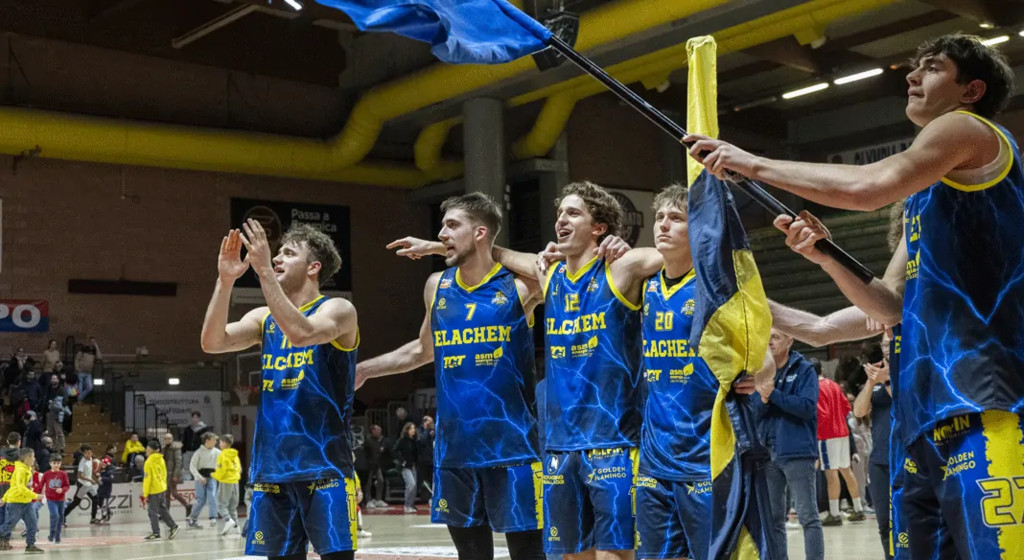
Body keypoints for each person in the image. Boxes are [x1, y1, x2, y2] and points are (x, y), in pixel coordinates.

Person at [688, 33, 1020, 559]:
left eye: (932, 67)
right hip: (921, 416)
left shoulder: (968, 128)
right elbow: (889, 305)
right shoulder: (926, 198)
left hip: (983, 402)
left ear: (971, 90)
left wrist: (751, 163)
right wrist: (824, 256)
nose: (912, 76)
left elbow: (869, 187)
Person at [358, 193, 545, 560]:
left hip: (513, 447)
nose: (442, 233)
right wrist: (364, 370)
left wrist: (450, 248)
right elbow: (421, 350)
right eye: (442, 227)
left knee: (529, 555)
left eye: (452, 226)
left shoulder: (520, 284)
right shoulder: (437, 285)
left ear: (480, 232)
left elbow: (548, 267)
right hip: (455, 448)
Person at [200, 221, 360, 560]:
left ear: (313, 267)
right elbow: (212, 342)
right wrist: (225, 281)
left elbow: (302, 333)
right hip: (273, 465)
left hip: (325, 465)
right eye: (278, 253)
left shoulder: (338, 310)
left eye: (289, 253)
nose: (276, 259)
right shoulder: (264, 318)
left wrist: (263, 273)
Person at [754, 329, 823, 560]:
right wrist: (764, 400)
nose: (770, 341)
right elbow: (754, 413)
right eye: (767, 337)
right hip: (768, 454)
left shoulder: (804, 369)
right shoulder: (761, 371)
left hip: (797, 452)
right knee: (773, 519)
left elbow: (807, 408)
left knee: (808, 517)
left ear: (790, 340)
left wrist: (774, 395)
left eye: (776, 337)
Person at [854, 336, 895, 560]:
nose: (886, 346)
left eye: (890, 341)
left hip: (908, 457)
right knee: (884, 523)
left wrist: (889, 378)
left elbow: (907, 400)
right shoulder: (876, 375)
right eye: (884, 343)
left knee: (911, 519)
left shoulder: (910, 366)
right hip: (880, 460)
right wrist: (871, 382)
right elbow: (859, 411)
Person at [816, 363, 865, 525]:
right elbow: (846, 407)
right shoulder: (835, 385)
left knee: (831, 475)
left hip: (827, 434)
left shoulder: (815, 388)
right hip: (843, 432)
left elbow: (821, 414)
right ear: (822, 370)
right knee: (846, 471)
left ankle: (834, 513)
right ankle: (858, 509)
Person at [0, 448, 42, 553]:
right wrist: (35, 496)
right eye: (33, 456)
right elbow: (19, 488)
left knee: (33, 524)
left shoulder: (27, 469)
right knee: (8, 526)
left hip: (26, 502)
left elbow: (13, 486)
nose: (34, 459)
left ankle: (30, 545)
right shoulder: (20, 470)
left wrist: (4, 498)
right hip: (15, 502)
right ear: (26, 458)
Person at [142, 439, 179, 540]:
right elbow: (164, 474)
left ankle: (156, 532)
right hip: (161, 487)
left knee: (152, 511)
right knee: (162, 509)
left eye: (147, 449)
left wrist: (145, 493)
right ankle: (173, 526)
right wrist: (163, 485)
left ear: (149, 449)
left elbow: (147, 479)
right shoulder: (161, 459)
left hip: (154, 490)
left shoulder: (148, 462)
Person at [187, 432, 221, 529]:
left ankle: (213, 518)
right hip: (200, 477)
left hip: (212, 477)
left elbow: (223, 464)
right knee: (201, 500)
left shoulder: (218, 452)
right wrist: (199, 477)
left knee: (212, 496)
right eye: (214, 440)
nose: (216, 442)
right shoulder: (198, 453)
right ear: (207, 441)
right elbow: (192, 466)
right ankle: (192, 518)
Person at [212, 433, 241, 535]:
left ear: (224, 443)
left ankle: (228, 520)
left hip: (226, 481)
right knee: (232, 506)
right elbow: (239, 469)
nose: (219, 444)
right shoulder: (235, 455)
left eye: (220, 442)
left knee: (220, 504)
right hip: (235, 482)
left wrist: (214, 475)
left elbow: (221, 470)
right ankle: (236, 527)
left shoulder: (222, 455)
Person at [64, 444, 98, 522]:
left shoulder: (90, 459)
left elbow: (90, 472)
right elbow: (79, 476)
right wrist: (90, 480)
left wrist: (95, 479)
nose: (89, 454)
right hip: (83, 485)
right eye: (87, 453)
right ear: (84, 453)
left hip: (89, 485)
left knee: (95, 498)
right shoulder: (82, 462)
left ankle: (93, 518)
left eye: (90, 453)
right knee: (76, 502)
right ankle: (62, 516)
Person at [161, 432, 190, 516]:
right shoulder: (164, 449)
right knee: (166, 494)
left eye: (169, 438)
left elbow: (178, 462)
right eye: (166, 438)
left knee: (173, 493)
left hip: (172, 474)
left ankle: (187, 505)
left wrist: (175, 475)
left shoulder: (176, 448)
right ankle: (166, 513)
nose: (167, 440)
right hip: (166, 474)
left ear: (172, 439)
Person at [41, 457, 69, 543]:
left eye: (58, 463)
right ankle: (52, 533)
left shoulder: (63, 474)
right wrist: (37, 494)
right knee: (55, 515)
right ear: (50, 463)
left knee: (60, 517)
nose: (56, 465)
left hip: (61, 499)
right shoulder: (46, 474)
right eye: (54, 463)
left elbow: (67, 486)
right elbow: (41, 485)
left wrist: (62, 490)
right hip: (51, 499)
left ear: (60, 464)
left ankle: (57, 536)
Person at [394, 422, 419, 513]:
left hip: (413, 465)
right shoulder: (402, 440)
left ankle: (411, 504)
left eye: (414, 428)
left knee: (414, 486)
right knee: (411, 484)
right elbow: (395, 451)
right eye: (411, 428)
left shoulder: (414, 441)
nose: (413, 430)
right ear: (407, 430)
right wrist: (402, 461)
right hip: (405, 466)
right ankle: (406, 505)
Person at [361, 425, 387, 508]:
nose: (380, 432)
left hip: (377, 464)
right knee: (368, 483)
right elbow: (365, 454)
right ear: (373, 431)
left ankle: (378, 499)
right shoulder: (368, 441)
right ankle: (368, 500)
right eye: (378, 430)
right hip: (369, 465)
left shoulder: (378, 441)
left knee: (381, 480)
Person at [181, 411, 213, 479]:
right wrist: (184, 450)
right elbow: (184, 440)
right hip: (188, 451)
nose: (195, 419)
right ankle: (189, 480)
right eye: (193, 417)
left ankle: (198, 479)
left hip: (198, 451)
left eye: (196, 417)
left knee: (197, 466)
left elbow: (206, 440)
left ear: (199, 418)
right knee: (187, 467)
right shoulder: (188, 429)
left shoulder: (204, 429)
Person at [0, 433, 22, 532]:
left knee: (1, 512)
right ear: (19, 442)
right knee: (11, 515)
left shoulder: (1, 453)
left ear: (8, 441)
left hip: (1, 486)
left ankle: (2, 535)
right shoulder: (22, 455)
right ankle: (5, 535)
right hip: (15, 488)